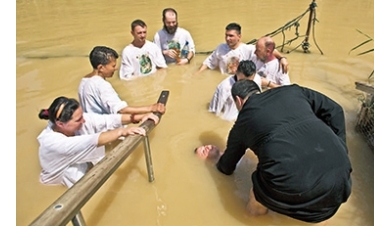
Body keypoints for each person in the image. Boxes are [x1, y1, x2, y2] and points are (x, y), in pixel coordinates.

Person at [195, 80, 352, 224]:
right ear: (259, 90)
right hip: (341, 179)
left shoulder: (242, 124)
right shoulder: (293, 91)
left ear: (238, 100)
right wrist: (340, 148)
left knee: (256, 193)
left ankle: (251, 218)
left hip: (295, 189)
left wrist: (213, 160)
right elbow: (335, 110)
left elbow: (226, 167)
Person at [37, 96, 160, 188]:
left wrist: (140, 117)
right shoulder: (52, 143)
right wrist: (122, 132)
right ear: (60, 124)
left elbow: (107, 120)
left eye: (82, 116)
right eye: (78, 119)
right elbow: (91, 141)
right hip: (59, 186)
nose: (84, 121)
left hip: (82, 169)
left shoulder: (78, 121)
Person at [78, 46, 165, 116]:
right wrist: (151, 108)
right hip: (105, 132)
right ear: (101, 67)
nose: (116, 69)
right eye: (113, 66)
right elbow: (121, 110)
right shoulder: (101, 85)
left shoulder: (84, 81)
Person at [197, 22, 289, 74]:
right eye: (226, 35)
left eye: (231, 36)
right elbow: (208, 62)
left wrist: (282, 58)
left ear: (239, 36)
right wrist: (197, 75)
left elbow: (268, 50)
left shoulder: (247, 49)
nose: (227, 39)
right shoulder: (221, 48)